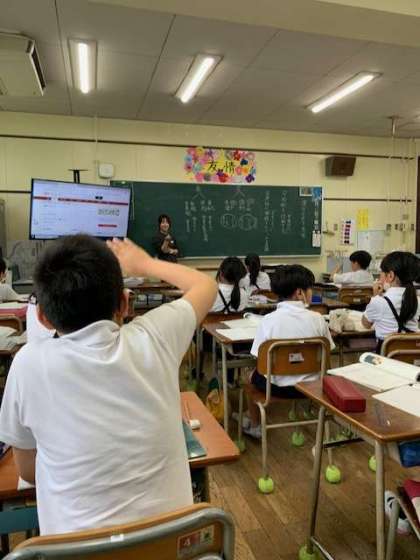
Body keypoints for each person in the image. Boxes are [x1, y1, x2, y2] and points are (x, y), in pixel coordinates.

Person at [0, 234, 217, 535]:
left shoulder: (27, 363)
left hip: (77, 552)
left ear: (43, 317)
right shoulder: (155, 337)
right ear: (125, 303)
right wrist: (145, 263)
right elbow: (206, 285)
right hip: (171, 546)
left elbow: (27, 471)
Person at [242, 265, 334, 438]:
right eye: (310, 289)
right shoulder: (318, 319)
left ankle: (254, 424)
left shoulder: (268, 320)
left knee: (247, 375)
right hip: (313, 386)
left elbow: (258, 357)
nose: (311, 293)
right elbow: (328, 350)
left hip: (276, 388)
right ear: (299, 292)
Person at [362, 251, 420, 350]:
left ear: (390, 276)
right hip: (412, 355)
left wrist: (375, 296)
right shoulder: (417, 300)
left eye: (382, 272)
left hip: (385, 356)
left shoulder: (378, 301)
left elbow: (366, 324)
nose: (380, 276)